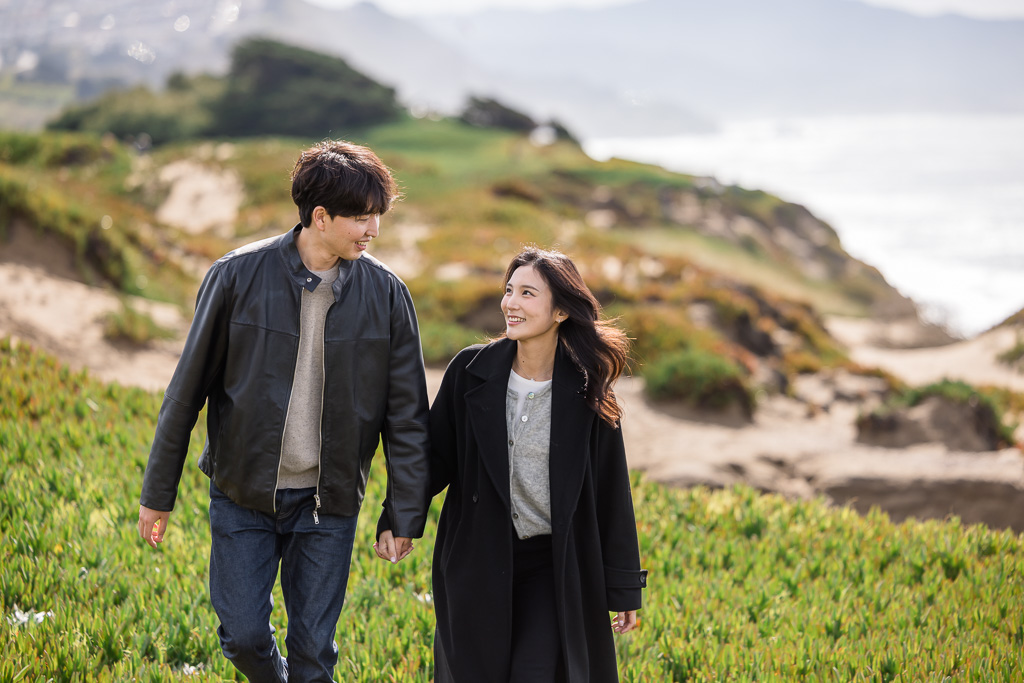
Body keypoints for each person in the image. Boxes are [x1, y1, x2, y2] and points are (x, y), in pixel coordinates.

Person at [137, 140, 430, 682]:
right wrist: (159, 494)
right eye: (362, 218)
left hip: (329, 502)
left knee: (314, 654)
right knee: (244, 637)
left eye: (378, 218)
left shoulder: (388, 295)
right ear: (320, 217)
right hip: (242, 494)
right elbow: (186, 391)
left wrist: (403, 514)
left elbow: (408, 415)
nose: (374, 231)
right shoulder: (236, 276)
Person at [377, 247, 648, 682]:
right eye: (508, 290)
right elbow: (435, 457)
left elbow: (612, 494)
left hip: (552, 567)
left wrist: (623, 587)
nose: (510, 303)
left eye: (527, 293)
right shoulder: (470, 370)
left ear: (561, 311)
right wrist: (399, 517)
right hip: (477, 559)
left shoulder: (588, 390)